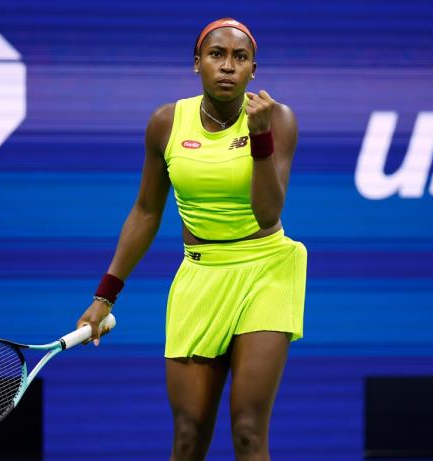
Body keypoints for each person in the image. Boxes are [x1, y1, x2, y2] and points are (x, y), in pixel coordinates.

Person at [76, 17, 307, 461]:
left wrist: (259, 138)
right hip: (200, 273)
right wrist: (105, 296)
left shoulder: (277, 118)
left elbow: (268, 211)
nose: (227, 66)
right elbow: (145, 212)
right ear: (196, 63)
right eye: (216, 54)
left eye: (240, 58)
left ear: (253, 70)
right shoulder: (166, 123)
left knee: (247, 430)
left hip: (267, 271)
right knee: (187, 435)